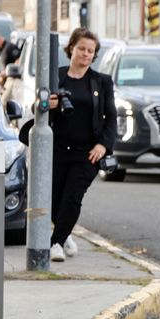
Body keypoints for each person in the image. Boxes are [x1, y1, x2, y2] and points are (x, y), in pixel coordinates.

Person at [47, 27, 116, 262]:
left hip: (87, 153)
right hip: (57, 149)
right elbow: (37, 108)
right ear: (71, 48)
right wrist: (47, 105)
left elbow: (111, 117)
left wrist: (103, 145)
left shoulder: (101, 82)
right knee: (54, 198)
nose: (86, 54)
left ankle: (56, 242)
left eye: (90, 51)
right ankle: (64, 233)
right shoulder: (56, 76)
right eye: (81, 49)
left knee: (73, 197)